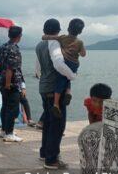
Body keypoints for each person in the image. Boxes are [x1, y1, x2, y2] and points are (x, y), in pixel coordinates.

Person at [35, 18, 77, 169]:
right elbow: (59, 64)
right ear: (57, 31)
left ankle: (44, 153)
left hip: (44, 87)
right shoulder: (54, 44)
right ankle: (51, 160)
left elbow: (38, 69)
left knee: (48, 122)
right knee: (58, 125)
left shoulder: (40, 45)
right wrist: (71, 75)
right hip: (54, 89)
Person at [42, 18, 86, 118]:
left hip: (66, 62)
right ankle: (68, 92)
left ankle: (56, 104)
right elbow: (83, 54)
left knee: (60, 80)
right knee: (68, 78)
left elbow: (46, 37)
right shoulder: (80, 42)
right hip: (75, 64)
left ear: (68, 28)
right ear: (80, 31)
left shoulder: (62, 38)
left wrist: (44, 36)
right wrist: (79, 50)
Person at [0, 26, 25, 142]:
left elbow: (3, 65)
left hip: (2, 79)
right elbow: (11, 68)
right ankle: (9, 133)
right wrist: (8, 84)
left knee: (5, 106)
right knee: (13, 109)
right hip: (11, 82)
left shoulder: (3, 47)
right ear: (19, 36)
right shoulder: (14, 49)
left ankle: (4, 130)